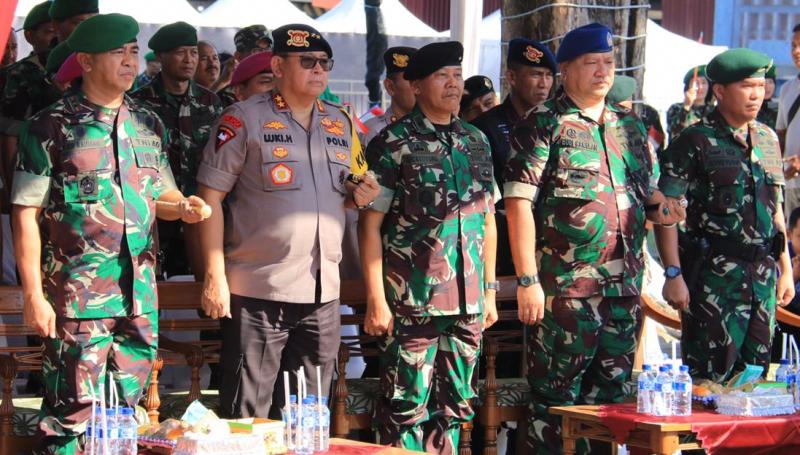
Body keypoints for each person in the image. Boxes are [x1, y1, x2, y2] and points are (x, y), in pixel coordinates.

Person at [11, 14, 208, 453]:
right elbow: (25, 213)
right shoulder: (50, 127)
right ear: (85, 60)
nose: (129, 60)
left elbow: (163, 194)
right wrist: (33, 295)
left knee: (123, 419)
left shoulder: (147, 123)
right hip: (78, 301)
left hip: (138, 297)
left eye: (134, 50)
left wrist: (185, 207)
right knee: (70, 420)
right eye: (117, 51)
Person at [503, 23, 683, 454]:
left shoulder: (631, 127)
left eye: (608, 62)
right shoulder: (544, 124)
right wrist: (528, 280)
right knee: (554, 407)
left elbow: (645, 192)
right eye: (591, 63)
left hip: (623, 293)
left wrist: (663, 208)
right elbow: (518, 204)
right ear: (565, 69)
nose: (603, 72)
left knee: (610, 408)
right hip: (566, 293)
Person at [197, 23, 379, 419]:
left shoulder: (342, 122)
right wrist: (215, 278)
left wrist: (360, 193)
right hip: (260, 289)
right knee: (248, 415)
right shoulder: (242, 119)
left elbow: (354, 187)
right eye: (307, 62)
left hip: (322, 292)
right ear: (277, 66)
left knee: (308, 416)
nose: (319, 70)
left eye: (325, 63)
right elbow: (208, 201)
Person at [361, 40, 498, 454]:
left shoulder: (476, 140)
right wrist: (375, 300)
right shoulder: (393, 143)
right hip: (412, 300)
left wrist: (488, 290)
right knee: (405, 407)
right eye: (443, 76)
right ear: (416, 85)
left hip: (468, 300)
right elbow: (369, 227)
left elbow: (487, 220)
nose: (454, 85)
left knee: (456, 406)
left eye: (457, 76)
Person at [656, 48, 794, 383]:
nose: (757, 95)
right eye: (747, 86)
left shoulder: (767, 138)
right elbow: (665, 210)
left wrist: (786, 268)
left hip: (761, 279)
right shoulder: (695, 140)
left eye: (761, 86)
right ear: (720, 91)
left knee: (755, 381)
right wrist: (673, 273)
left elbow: (775, 208)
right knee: (710, 384)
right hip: (714, 281)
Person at [132, 21, 223, 279]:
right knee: (156, 289)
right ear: (161, 56)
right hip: (156, 219)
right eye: (180, 52)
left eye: (193, 52)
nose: (189, 59)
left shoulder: (210, 102)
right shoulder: (139, 103)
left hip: (202, 213)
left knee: (204, 292)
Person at [472, 38, 555, 277]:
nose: (544, 84)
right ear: (512, 77)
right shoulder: (484, 128)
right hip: (504, 252)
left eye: (549, 76)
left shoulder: (559, 124)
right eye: (536, 74)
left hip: (553, 250)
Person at [362, 46, 417, 147]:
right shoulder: (374, 132)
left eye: (421, 80)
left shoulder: (432, 128)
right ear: (390, 87)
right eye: (411, 81)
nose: (418, 87)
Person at [218, 25, 273, 107]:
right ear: (238, 56)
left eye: (268, 50)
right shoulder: (226, 95)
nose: (263, 55)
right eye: (257, 51)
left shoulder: (279, 82)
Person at [778, 24, 800, 217]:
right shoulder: (786, 89)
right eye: (793, 45)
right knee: (793, 243)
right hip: (792, 184)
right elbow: (780, 137)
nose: (796, 51)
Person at [666, 65, 714, 142]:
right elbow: (674, 132)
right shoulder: (675, 108)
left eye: (704, 83)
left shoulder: (715, 111)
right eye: (696, 83)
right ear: (688, 87)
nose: (700, 87)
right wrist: (686, 106)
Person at [757, 64, 778, 130]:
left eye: (770, 82)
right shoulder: (749, 109)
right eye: (764, 83)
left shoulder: (777, 108)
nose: (767, 86)